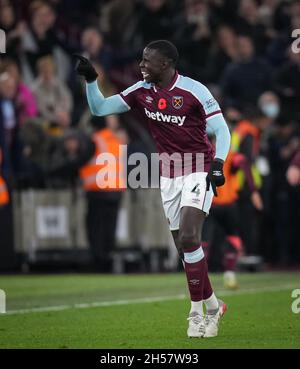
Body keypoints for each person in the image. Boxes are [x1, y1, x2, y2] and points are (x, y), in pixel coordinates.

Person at [74, 39, 231, 338]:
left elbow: (221, 129)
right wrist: (92, 81)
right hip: (168, 175)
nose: (141, 65)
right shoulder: (141, 91)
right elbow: (99, 109)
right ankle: (213, 305)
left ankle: (195, 314)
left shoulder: (195, 91)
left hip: (198, 167)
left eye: (147, 60)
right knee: (186, 251)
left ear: (166, 64)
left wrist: (219, 163)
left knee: (188, 237)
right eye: (141, 60)